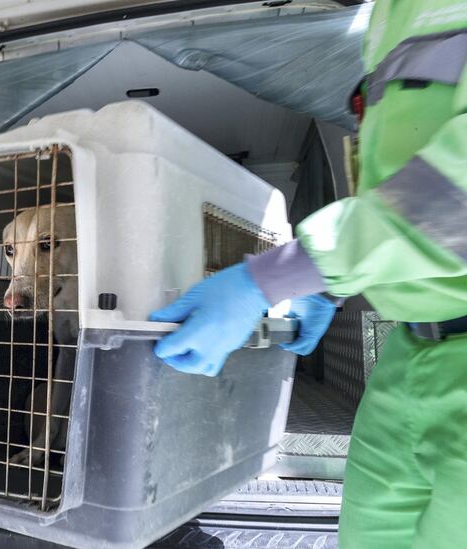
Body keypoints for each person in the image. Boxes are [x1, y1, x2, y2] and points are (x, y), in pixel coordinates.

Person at [150, 1, 467, 547]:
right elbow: (396, 173)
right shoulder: (386, 18)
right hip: (410, 354)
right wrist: (326, 281)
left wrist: (277, 276)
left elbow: (452, 197)